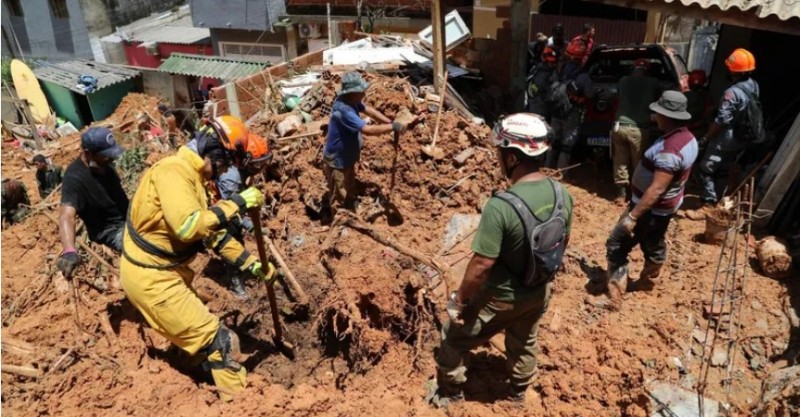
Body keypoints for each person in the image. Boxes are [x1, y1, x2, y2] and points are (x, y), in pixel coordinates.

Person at [120, 115, 277, 402]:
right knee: (221, 341)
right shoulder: (173, 172)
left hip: (166, 272)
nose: (224, 171)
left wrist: (250, 263)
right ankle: (243, 404)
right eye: (226, 164)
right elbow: (189, 226)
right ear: (214, 154)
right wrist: (239, 202)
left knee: (194, 339)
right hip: (152, 279)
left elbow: (212, 235)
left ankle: (198, 373)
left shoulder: (193, 178)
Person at [426, 113, 573, 407]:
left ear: (512, 159)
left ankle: (450, 394)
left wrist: (460, 300)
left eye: (499, 153)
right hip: (539, 291)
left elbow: (481, 266)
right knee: (525, 338)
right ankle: (520, 390)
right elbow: (561, 242)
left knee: (453, 337)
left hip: (501, 297)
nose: (497, 159)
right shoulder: (562, 194)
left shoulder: (501, 206)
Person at [604, 91, 698, 310]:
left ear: (667, 116)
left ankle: (614, 296)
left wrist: (633, 217)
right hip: (665, 208)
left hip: (649, 209)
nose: (655, 116)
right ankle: (647, 282)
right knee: (653, 243)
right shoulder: (687, 138)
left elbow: (656, 189)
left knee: (616, 244)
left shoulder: (670, 151)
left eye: (658, 113)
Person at [322, 71, 415, 213]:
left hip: (347, 155)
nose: (364, 94)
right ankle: (338, 216)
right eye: (361, 91)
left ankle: (349, 203)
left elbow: (369, 111)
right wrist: (391, 127)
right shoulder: (344, 110)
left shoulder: (351, 101)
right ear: (352, 92)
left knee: (348, 181)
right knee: (338, 189)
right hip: (337, 158)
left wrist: (389, 121)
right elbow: (367, 130)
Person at [686, 49, 760, 220]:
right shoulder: (753, 85)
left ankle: (708, 204)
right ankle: (720, 201)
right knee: (723, 169)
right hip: (741, 137)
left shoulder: (732, 93)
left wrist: (705, 138)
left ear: (733, 70)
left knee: (705, 168)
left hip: (725, 138)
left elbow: (721, 121)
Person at [56, 127, 128, 278]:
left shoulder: (103, 163)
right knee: (139, 246)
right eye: (105, 156)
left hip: (128, 217)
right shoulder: (74, 178)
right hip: (110, 230)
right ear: (88, 153)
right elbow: (66, 216)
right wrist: (69, 251)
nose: (110, 159)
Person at [213, 133, 273, 299]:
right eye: (256, 164)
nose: (259, 168)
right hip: (219, 211)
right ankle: (235, 281)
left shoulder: (243, 168)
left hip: (231, 206)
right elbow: (231, 210)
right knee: (233, 240)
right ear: (244, 160)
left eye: (262, 163)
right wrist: (250, 226)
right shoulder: (230, 178)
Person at [611, 59, 662, 203]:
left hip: (619, 127)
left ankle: (621, 194)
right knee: (638, 164)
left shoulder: (623, 80)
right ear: (647, 71)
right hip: (638, 129)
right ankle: (635, 195)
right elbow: (657, 99)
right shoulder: (654, 83)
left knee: (620, 160)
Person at [547, 64, 595, 170]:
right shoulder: (583, 76)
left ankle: (547, 167)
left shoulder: (559, 70)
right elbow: (590, 94)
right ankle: (561, 172)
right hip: (571, 113)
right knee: (567, 145)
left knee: (553, 141)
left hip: (556, 111)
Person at [526, 46, 560, 120]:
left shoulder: (536, 68)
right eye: (551, 62)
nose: (553, 65)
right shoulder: (545, 74)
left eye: (554, 62)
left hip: (534, 105)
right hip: (540, 108)